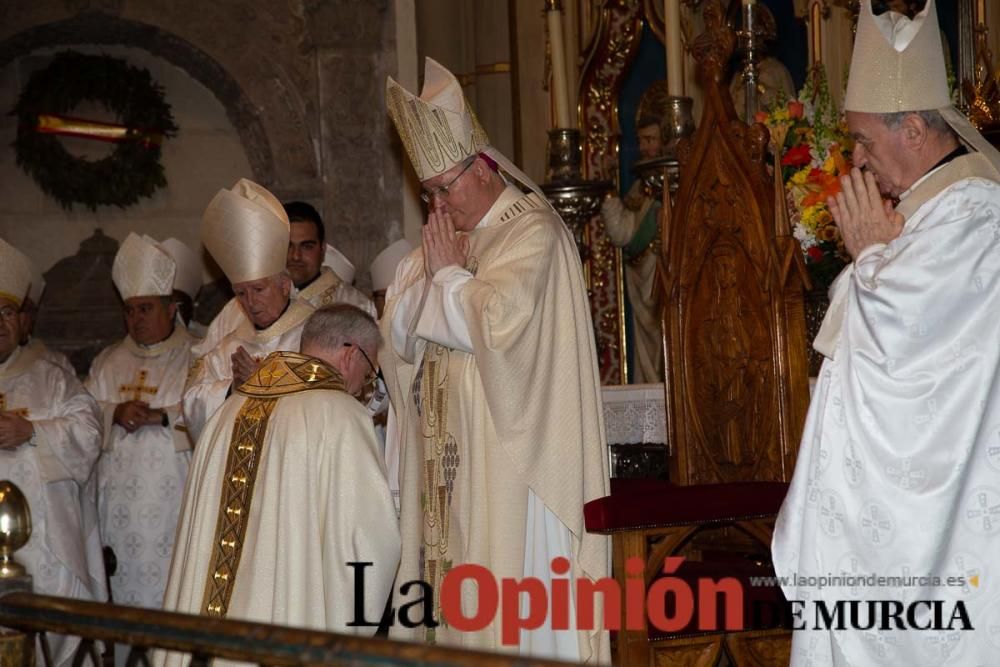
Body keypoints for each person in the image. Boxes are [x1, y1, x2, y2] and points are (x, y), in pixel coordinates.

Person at [772, 1, 1000, 664]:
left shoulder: (972, 219)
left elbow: (904, 349)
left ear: (914, 129)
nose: (858, 159)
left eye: (866, 141)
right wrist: (874, 260)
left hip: (948, 532)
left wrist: (870, 259)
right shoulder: (932, 210)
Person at [383, 58, 610, 662]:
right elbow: (397, 331)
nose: (437, 205)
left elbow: (501, 325)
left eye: (444, 189)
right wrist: (439, 281)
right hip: (451, 468)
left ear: (481, 167)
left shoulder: (531, 233)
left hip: (515, 471)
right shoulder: (441, 239)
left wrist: (448, 280)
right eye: (427, 193)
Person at [159, 305, 399, 667]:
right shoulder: (342, 417)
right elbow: (367, 543)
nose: (364, 385)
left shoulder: (229, 411)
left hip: (210, 641)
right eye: (368, 372)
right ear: (351, 354)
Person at [0, 237, 106, 667]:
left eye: (6, 312)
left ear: (23, 321)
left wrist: (32, 431)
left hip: (46, 548)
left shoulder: (52, 379)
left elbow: (89, 429)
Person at [86, 234, 193, 618]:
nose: (136, 319)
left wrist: (162, 416)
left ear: (172, 308)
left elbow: (213, 411)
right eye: (129, 311)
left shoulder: (197, 356)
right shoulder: (107, 362)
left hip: (173, 510)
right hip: (117, 513)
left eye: (145, 308)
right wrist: (113, 411)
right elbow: (83, 415)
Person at [182, 179, 315, 442]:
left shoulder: (315, 333)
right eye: (241, 293)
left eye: (259, 289)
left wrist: (265, 383)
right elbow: (191, 403)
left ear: (284, 285)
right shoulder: (228, 346)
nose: (250, 302)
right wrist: (232, 389)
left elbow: (332, 397)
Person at [190, 201, 374, 362]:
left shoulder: (354, 305)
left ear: (323, 248)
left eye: (307, 246)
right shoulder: (236, 308)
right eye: (288, 246)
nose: (296, 256)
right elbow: (200, 368)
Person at [600, 80, 669, 383]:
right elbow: (625, 234)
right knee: (647, 350)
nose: (644, 147)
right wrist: (609, 194)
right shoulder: (641, 186)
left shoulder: (674, 182)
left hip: (662, 275)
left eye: (651, 139)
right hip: (641, 276)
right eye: (641, 140)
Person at [18, 258, 76, 375]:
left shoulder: (56, 363)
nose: (21, 318)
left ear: (34, 315)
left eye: (25, 310)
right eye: (12, 312)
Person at [159, 237, 203, 331]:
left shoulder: (211, 340)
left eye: (179, 304)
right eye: (167, 305)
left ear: (192, 309)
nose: (173, 311)